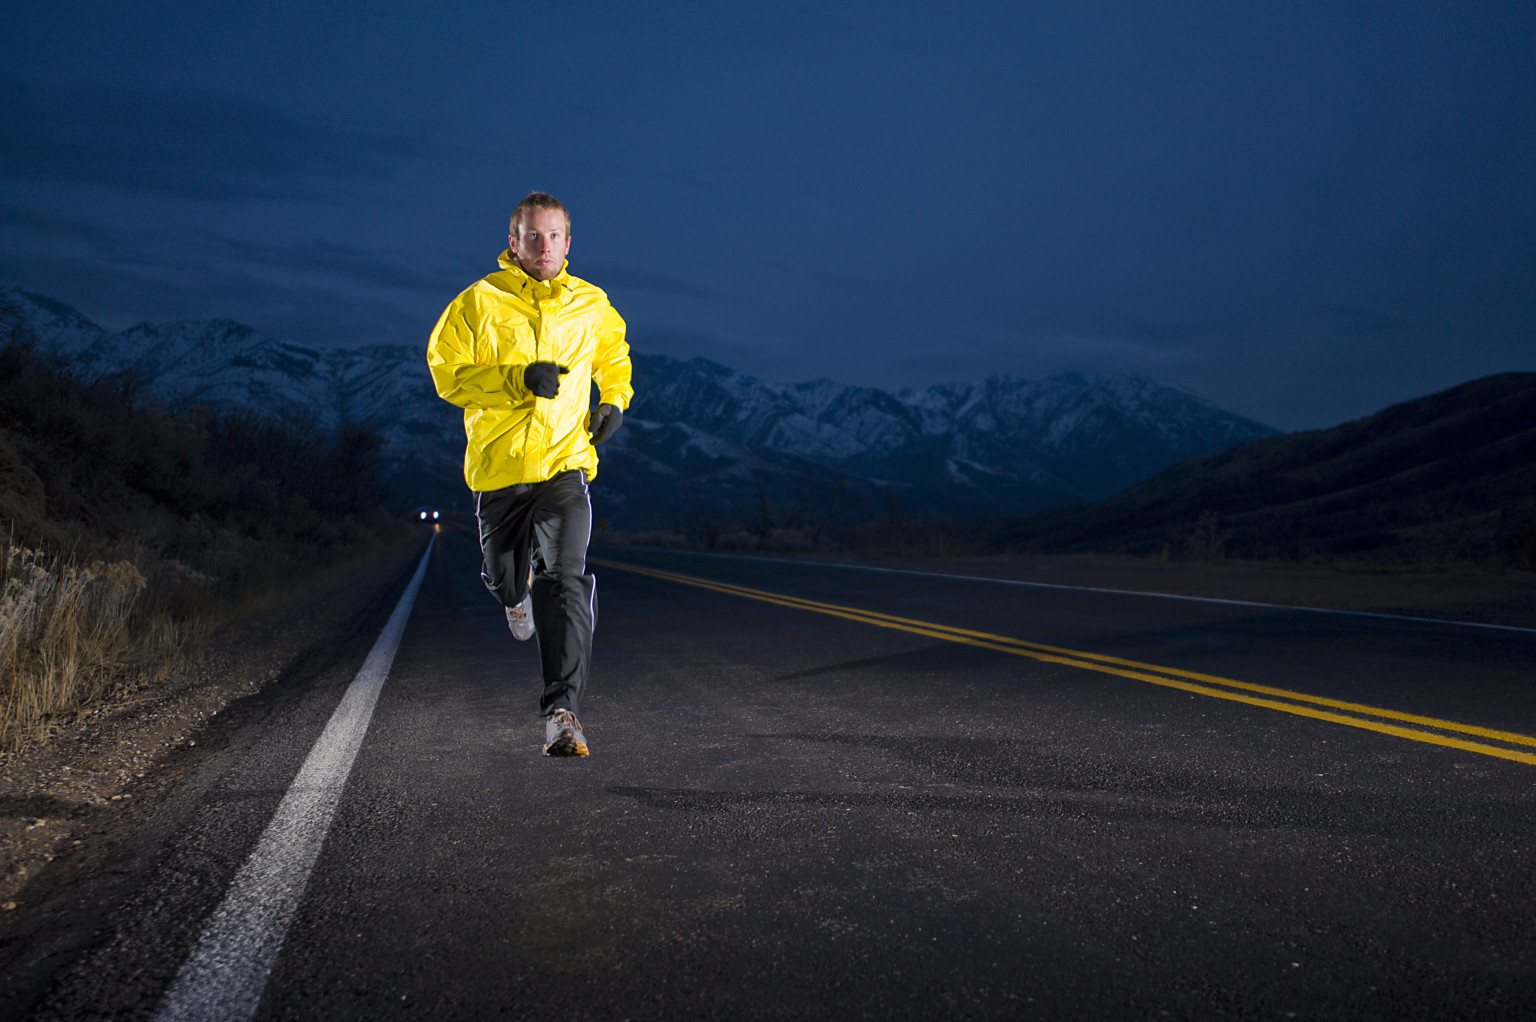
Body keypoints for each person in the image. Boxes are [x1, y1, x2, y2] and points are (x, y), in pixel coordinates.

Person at [426, 191, 632, 757]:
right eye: (532, 236)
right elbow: (448, 376)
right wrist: (515, 380)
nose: (544, 247)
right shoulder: (478, 302)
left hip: (564, 466)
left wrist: (613, 401)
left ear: (570, 241)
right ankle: (511, 597)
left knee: (565, 577)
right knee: (506, 578)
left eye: (555, 236)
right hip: (499, 472)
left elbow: (614, 353)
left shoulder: (591, 304)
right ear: (512, 241)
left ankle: (563, 712)